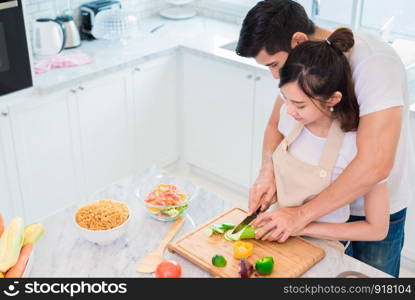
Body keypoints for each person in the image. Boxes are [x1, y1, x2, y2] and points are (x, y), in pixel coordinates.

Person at [236, 0, 414, 277]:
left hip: (371, 208)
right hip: (319, 210)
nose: (274, 75)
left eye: (274, 64)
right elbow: (276, 123)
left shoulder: (375, 64)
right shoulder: (300, 73)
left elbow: (375, 165)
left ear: (297, 40)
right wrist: (267, 173)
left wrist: (300, 217)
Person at [272, 27, 389, 248]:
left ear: (333, 99)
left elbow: (377, 229)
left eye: (299, 105)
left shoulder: (355, 147)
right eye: (285, 98)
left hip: (322, 250)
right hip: (278, 237)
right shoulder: (290, 120)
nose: (289, 110)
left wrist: (301, 226)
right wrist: (267, 183)